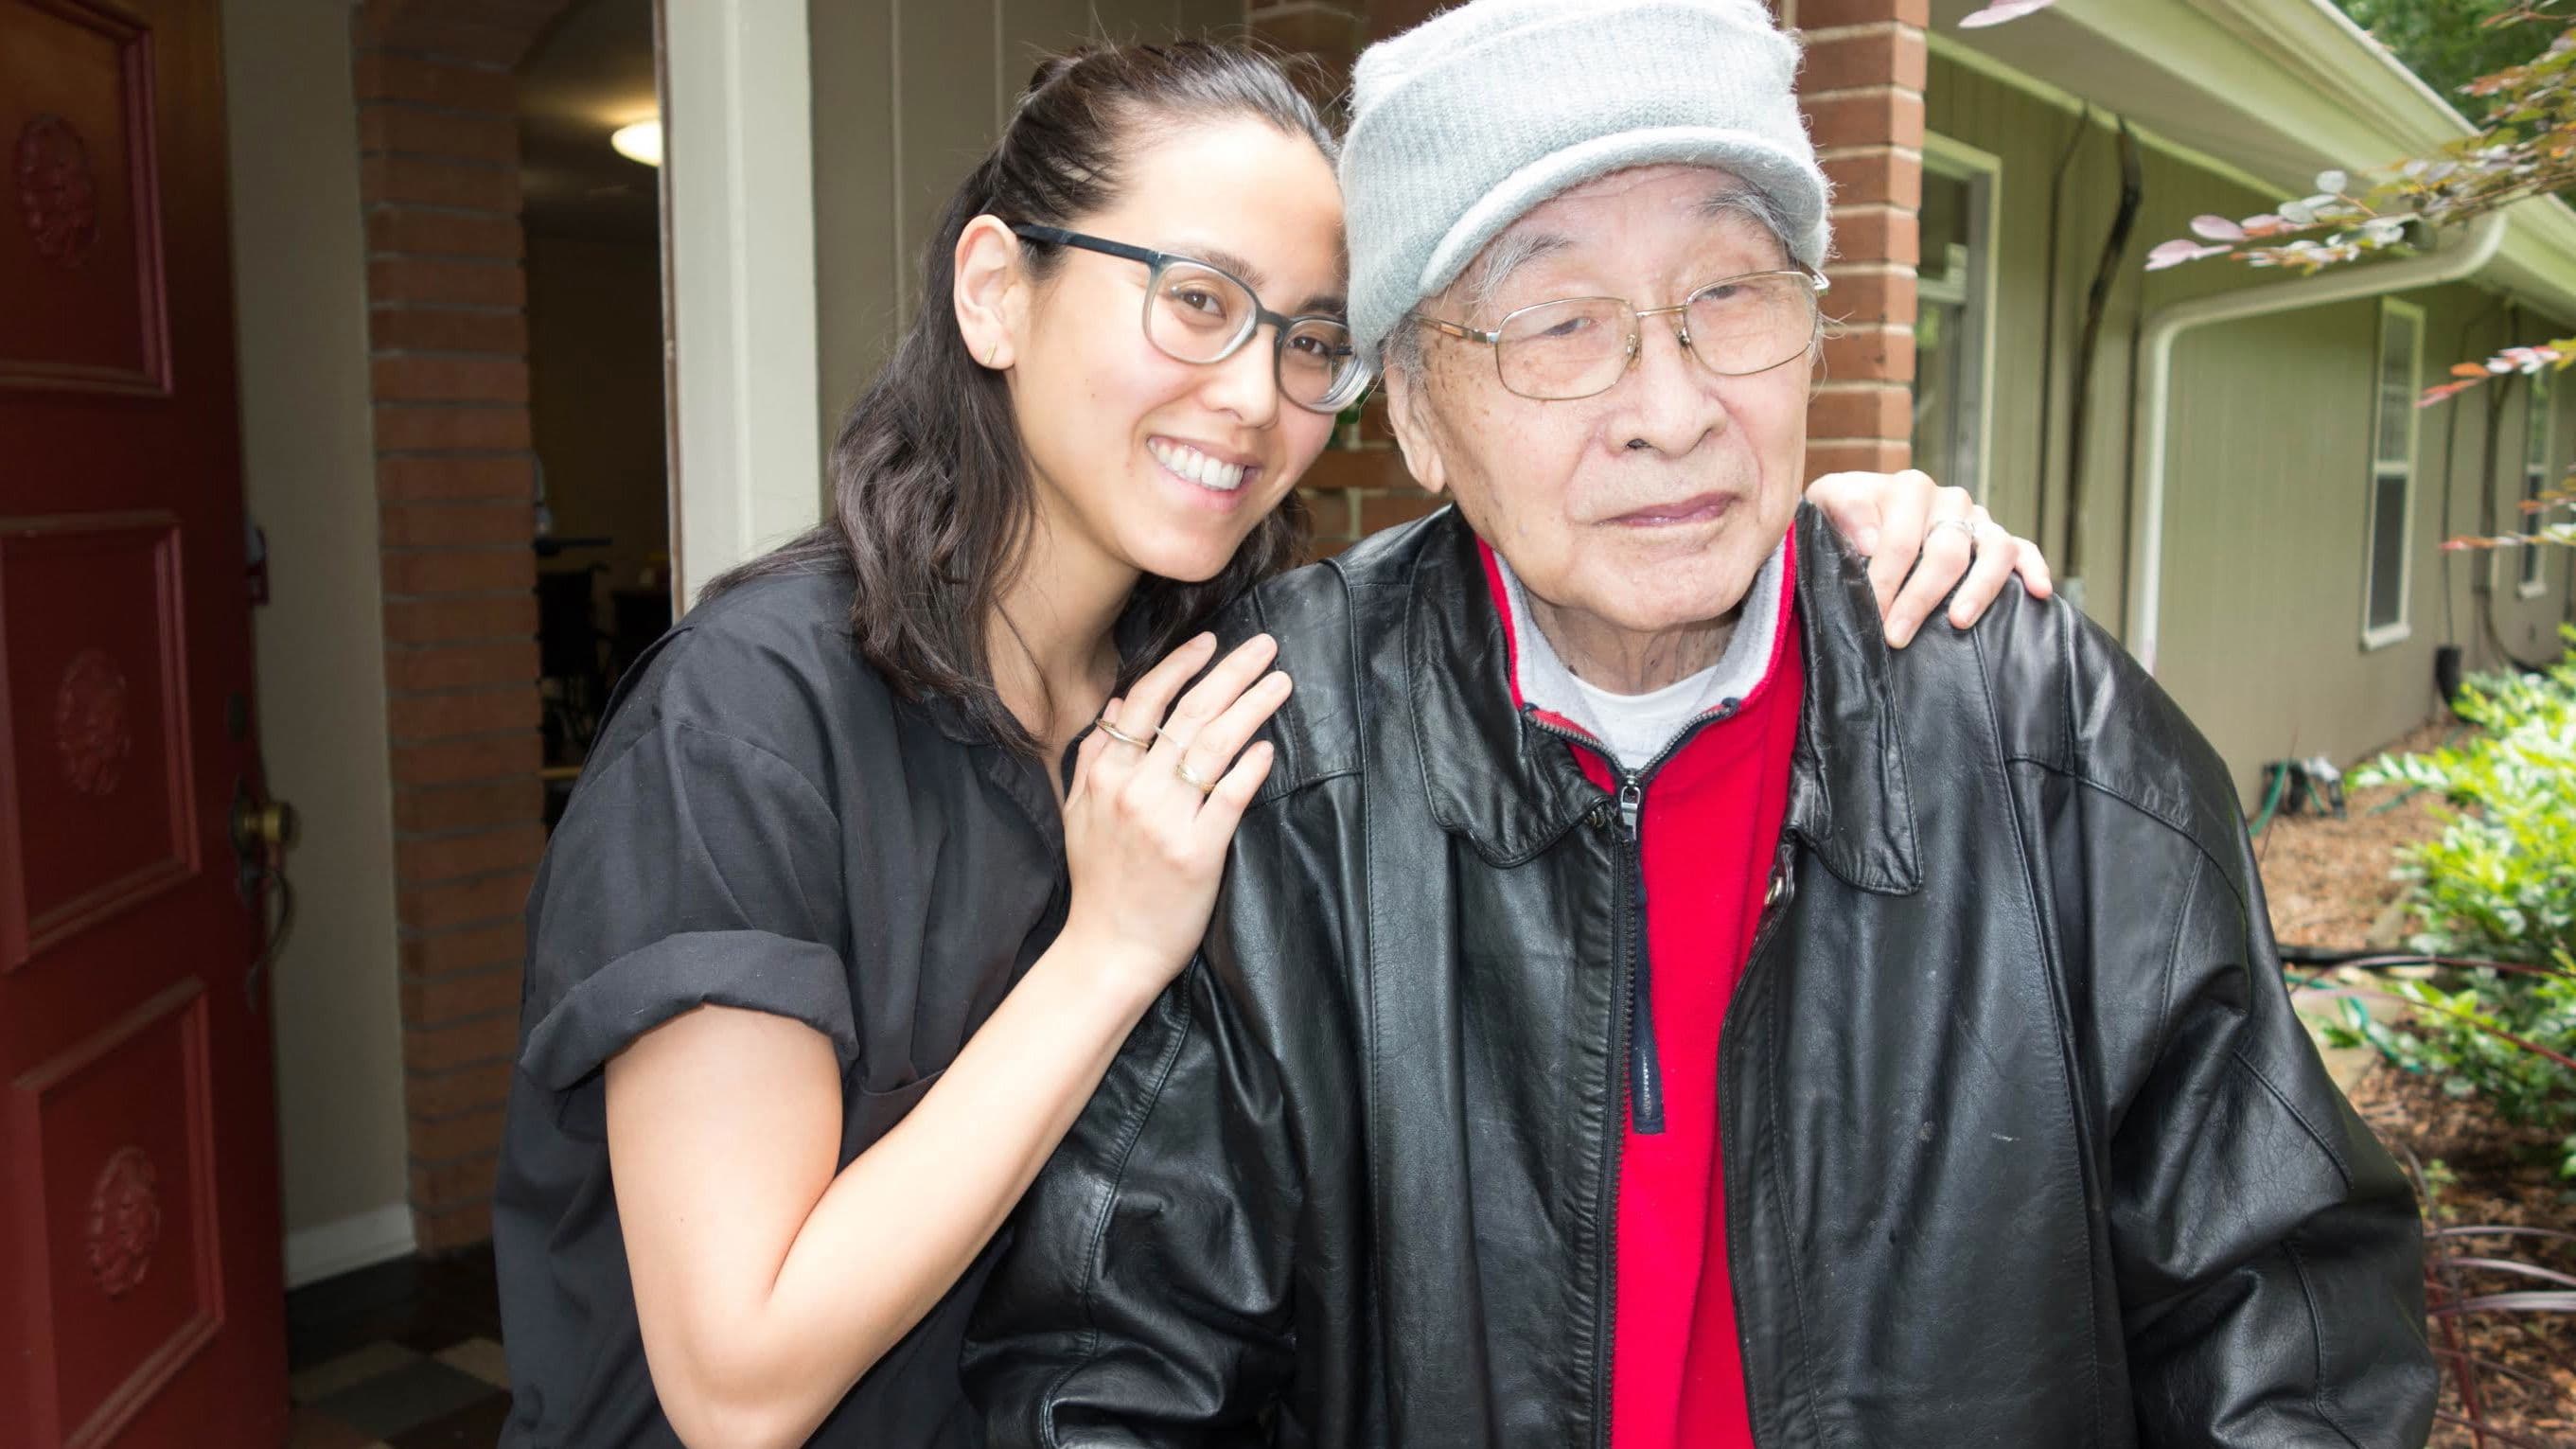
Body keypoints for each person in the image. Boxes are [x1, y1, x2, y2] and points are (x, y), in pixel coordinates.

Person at [491, 36, 2044, 1449]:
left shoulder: (1207, 689)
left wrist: (1806, 542)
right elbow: (735, 1381)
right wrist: (1105, 950)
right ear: (994, 290)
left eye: (1310, 341)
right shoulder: (750, 723)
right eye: (1194, 300)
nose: (1253, 396)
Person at [965, 4, 2439, 1446]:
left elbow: (2281, 1310)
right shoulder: (1271, 755)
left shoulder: (2030, 721)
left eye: (1731, 296)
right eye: (1559, 324)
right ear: (1412, 407)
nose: (1667, 410)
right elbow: (1114, 1370)